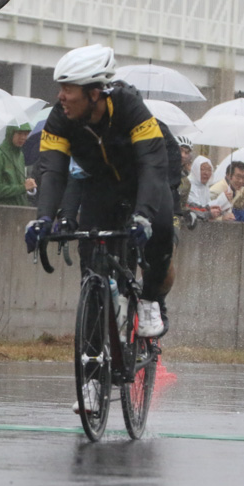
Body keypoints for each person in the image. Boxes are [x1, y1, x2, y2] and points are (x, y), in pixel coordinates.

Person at [29, 43, 175, 344]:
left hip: (144, 180)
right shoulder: (60, 118)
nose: (61, 96)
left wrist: (144, 216)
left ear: (94, 93)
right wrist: (44, 218)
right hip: (101, 185)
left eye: (68, 89)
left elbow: (152, 165)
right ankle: (94, 360)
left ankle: (149, 301)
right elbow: (53, 172)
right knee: (91, 256)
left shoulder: (130, 107)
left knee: (160, 230)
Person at [0, 121, 34, 206]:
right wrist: (22, 187)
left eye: (25, 134)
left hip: (19, 209)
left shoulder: (20, 155)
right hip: (0, 211)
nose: (23, 137)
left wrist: (27, 185)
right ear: (11, 133)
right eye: (19, 133)